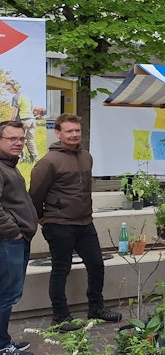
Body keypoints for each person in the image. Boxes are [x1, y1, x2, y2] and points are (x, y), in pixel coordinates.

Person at [29, 114, 121, 328]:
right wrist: (44, 219)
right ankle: (60, 317)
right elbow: (35, 195)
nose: (74, 135)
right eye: (69, 131)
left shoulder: (87, 157)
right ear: (58, 133)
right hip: (59, 224)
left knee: (97, 264)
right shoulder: (48, 162)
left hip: (84, 223)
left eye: (77, 130)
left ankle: (96, 308)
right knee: (62, 269)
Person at [0, 120, 37, 355]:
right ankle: (2, 346)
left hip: (16, 239)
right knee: (7, 293)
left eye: (21, 139)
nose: (18, 143)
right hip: (8, 240)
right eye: (11, 138)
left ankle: (4, 340)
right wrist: (13, 231)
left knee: (9, 292)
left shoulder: (9, 166)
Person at [5, 81, 37, 162]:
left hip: (24, 121)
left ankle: (20, 159)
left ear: (15, 87)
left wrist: (9, 123)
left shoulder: (16, 97)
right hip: (32, 120)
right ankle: (35, 158)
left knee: (18, 140)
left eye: (9, 89)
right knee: (30, 140)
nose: (9, 91)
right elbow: (32, 107)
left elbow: (14, 113)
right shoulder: (26, 96)